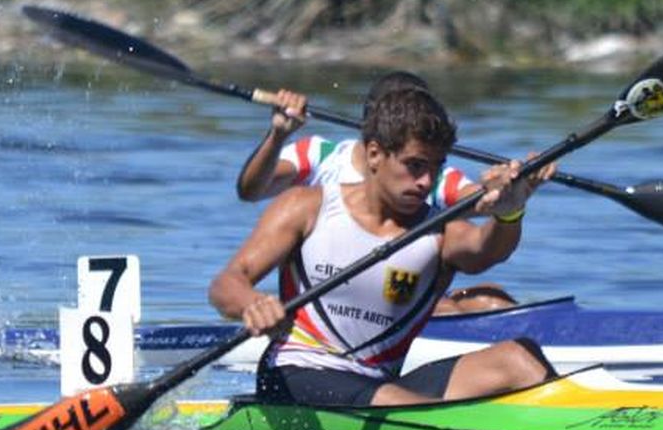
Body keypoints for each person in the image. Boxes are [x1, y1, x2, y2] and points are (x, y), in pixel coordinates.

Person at [209, 86, 557, 407]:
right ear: (374, 154)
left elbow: (487, 250)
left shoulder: (439, 230)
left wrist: (510, 212)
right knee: (402, 404)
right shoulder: (307, 206)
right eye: (415, 166)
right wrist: (252, 304)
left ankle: (587, 426)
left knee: (519, 357)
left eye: (436, 168)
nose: (425, 182)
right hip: (297, 374)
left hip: (380, 385)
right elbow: (227, 283)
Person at [235, 72, 518, 314]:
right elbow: (251, 190)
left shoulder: (431, 174)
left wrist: (511, 187)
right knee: (448, 309)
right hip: (332, 299)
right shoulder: (319, 154)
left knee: (493, 298)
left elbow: (484, 200)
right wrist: (279, 136)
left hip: (398, 296)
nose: (423, 180)